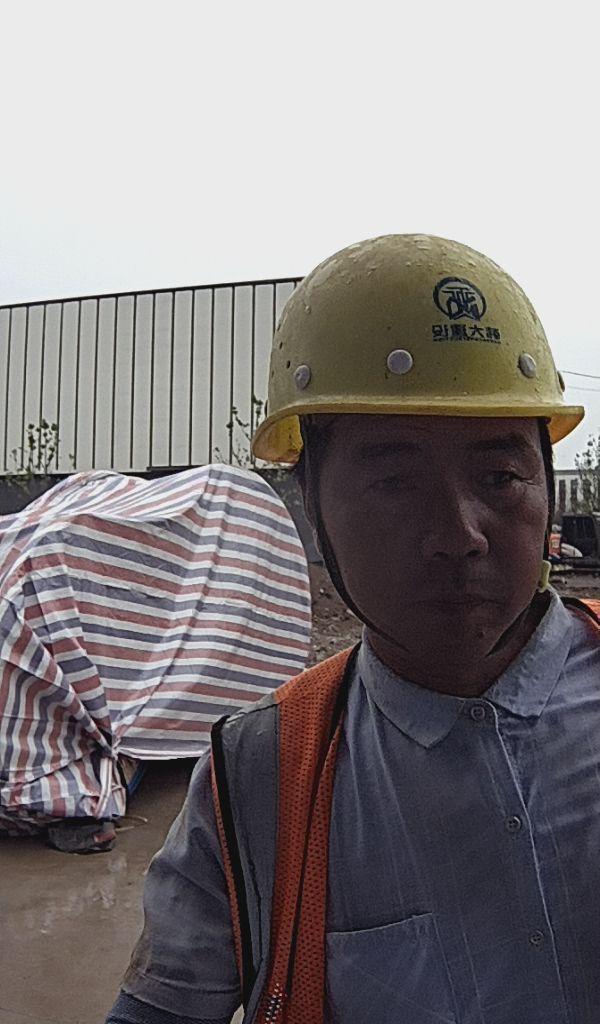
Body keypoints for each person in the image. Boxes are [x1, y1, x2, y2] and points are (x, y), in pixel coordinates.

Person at [106, 235, 600, 1024]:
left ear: (545, 481)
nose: (459, 534)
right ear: (311, 503)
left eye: (500, 475)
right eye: (395, 480)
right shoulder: (261, 780)